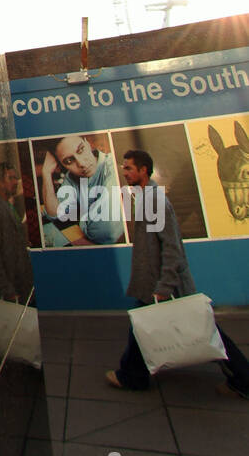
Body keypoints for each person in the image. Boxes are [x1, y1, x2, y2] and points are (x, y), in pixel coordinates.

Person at [106, 149, 249, 398]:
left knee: (205, 331)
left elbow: (171, 246)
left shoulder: (154, 200)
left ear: (143, 170)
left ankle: (244, 379)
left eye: (129, 168)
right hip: (153, 282)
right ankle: (133, 375)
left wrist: (165, 284)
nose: (125, 172)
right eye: (124, 167)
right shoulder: (144, 198)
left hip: (165, 285)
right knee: (142, 326)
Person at [40, 134, 124, 246]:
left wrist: (83, 222)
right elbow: (54, 214)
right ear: (62, 165)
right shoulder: (71, 178)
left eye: (81, 150)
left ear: (87, 143)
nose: (82, 164)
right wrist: (45, 173)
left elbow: (106, 232)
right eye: (69, 161)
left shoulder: (111, 168)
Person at [0, 161, 35, 303]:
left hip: (21, 287)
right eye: (10, 178)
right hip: (11, 293)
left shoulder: (7, 205)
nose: (16, 182)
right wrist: (7, 290)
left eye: (15, 177)